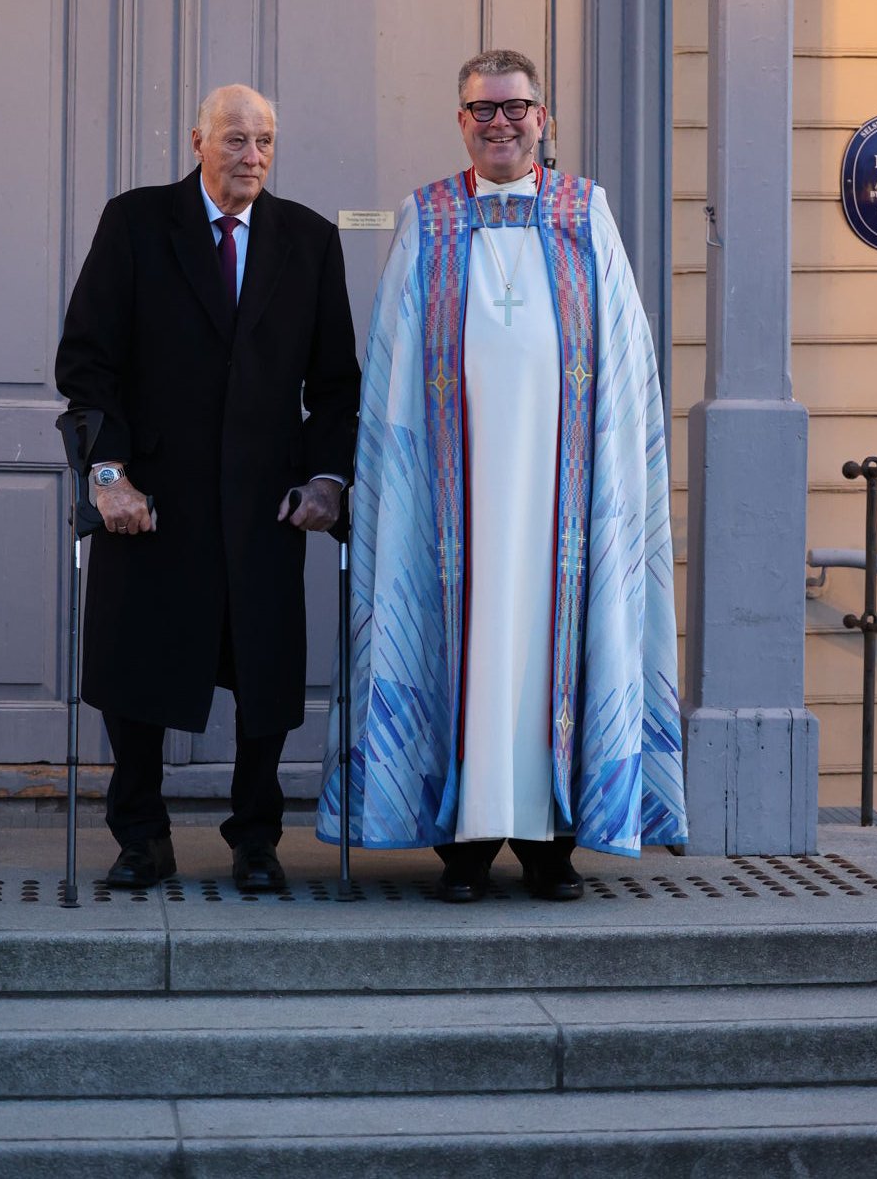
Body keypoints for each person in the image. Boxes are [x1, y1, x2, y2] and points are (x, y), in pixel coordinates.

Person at [317, 50, 687, 901]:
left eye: (514, 107)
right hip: (455, 502)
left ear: (541, 116)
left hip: (567, 494)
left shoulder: (587, 213)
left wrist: (618, 479)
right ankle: (466, 845)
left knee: (560, 645)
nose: (500, 123)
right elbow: (394, 366)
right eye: (482, 110)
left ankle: (554, 843)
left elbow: (628, 365)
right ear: (461, 122)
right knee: (462, 646)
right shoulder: (428, 216)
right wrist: (400, 489)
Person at [56, 84, 360, 891]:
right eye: (235, 139)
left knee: (263, 674)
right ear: (198, 141)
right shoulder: (135, 222)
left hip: (265, 500)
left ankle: (256, 840)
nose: (251, 156)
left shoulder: (308, 239)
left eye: (264, 140)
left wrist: (328, 480)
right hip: (151, 499)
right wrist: (109, 474)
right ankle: (140, 837)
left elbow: (335, 385)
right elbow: (88, 361)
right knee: (138, 669)